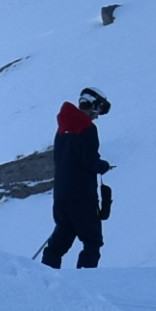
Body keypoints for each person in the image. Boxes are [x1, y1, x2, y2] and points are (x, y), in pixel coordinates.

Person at [41, 87, 112, 269]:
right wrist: (102, 166)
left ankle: (44, 277)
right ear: (93, 105)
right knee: (92, 242)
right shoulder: (88, 128)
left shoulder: (62, 128)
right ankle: (84, 281)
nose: (97, 116)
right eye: (99, 110)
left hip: (61, 196)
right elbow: (89, 161)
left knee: (57, 245)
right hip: (82, 197)